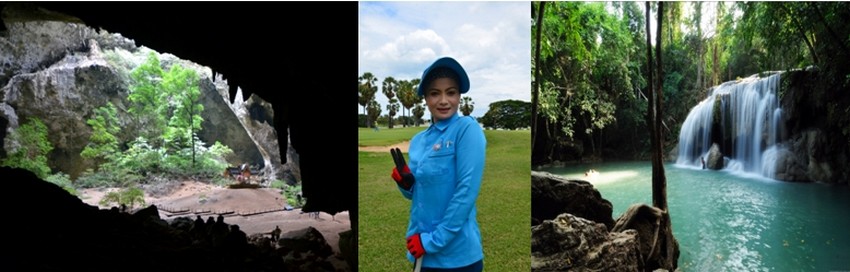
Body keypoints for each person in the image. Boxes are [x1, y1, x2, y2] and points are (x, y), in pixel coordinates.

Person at [390, 56, 486, 271]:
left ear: (459, 96)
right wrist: (406, 184)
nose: (444, 100)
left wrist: (432, 241)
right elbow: (417, 195)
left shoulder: (466, 130)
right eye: (435, 93)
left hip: (458, 256)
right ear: (425, 98)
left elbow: (466, 192)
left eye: (450, 92)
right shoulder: (418, 141)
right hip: (421, 252)